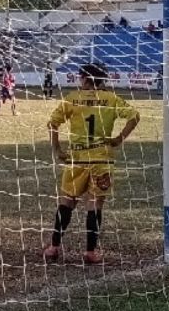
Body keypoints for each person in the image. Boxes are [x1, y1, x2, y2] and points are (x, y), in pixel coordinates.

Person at [43, 63, 141, 264]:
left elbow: (52, 123)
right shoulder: (111, 99)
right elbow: (135, 116)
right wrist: (119, 138)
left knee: (67, 201)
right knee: (95, 204)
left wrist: (57, 150)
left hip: (76, 158)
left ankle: (53, 247)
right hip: (101, 159)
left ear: (85, 79)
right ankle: (90, 252)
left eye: (80, 77)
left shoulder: (72, 98)